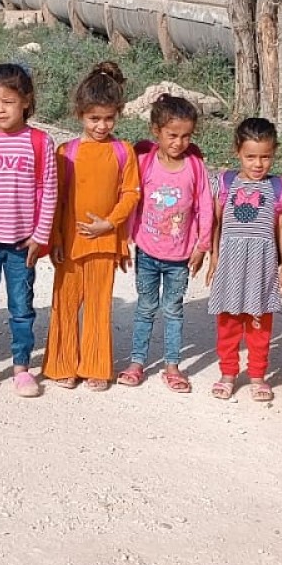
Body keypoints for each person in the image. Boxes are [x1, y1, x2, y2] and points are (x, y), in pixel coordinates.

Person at [44, 62, 141, 391]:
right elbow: (57, 200)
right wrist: (55, 236)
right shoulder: (66, 153)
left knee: (100, 305)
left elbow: (131, 193)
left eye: (109, 118)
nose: (102, 125)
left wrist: (110, 224)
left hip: (105, 241)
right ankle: (63, 364)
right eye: (94, 118)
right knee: (66, 302)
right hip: (70, 242)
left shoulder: (123, 151)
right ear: (79, 115)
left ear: (118, 114)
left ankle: (97, 366)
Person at [0, 63, 58, 398]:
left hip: (21, 244)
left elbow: (49, 190)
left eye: (8, 102)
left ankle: (21, 368)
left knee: (21, 308)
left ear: (26, 102)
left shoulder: (39, 142)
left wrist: (40, 236)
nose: (0, 109)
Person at [120, 94, 212, 390]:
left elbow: (205, 206)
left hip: (180, 258)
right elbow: (131, 202)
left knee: (173, 311)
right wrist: (124, 240)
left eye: (186, 136)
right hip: (147, 252)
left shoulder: (194, 166)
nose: (179, 143)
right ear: (156, 131)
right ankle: (137, 362)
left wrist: (202, 246)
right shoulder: (145, 162)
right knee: (145, 308)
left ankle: (172, 366)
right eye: (172, 135)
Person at [205, 117, 282, 401]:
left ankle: (257, 375)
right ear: (237, 152)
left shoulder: (278, 187)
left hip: (262, 267)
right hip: (230, 265)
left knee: (259, 324)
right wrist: (214, 257)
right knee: (229, 322)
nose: (258, 164)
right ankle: (228, 373)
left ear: (274, 153)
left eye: (265, 157)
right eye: (251, 157)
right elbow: (216, 223)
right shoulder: (226, 182)